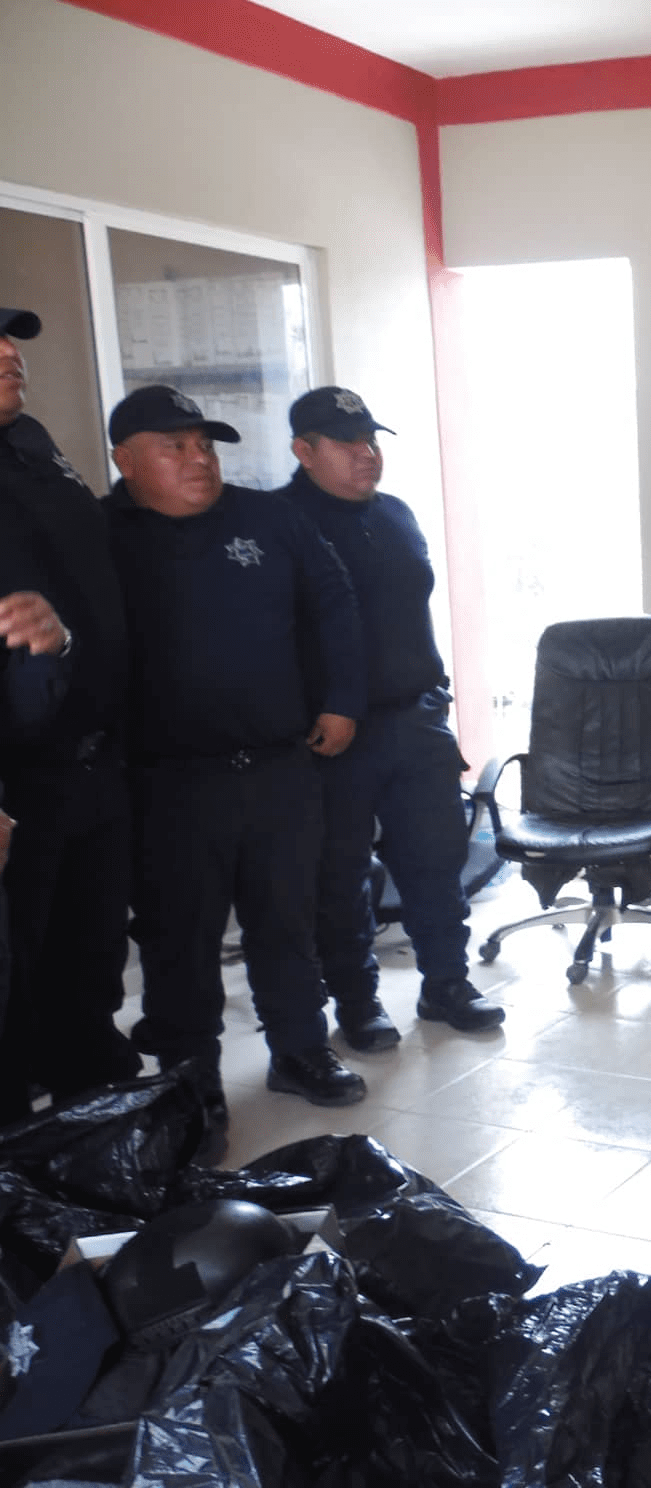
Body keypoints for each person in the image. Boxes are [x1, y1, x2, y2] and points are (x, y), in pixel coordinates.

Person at [103, 383, 371, 1130]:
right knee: (179, 941)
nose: (199, 460)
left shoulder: (267, 518)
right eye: (174, 448)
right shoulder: (100, 536)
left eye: (205, 446)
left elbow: (335, 605)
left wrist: (342, 699)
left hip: (280, 766)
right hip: (170, 783)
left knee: (286, 922)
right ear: (126, 460)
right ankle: (191, 1081)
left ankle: (300, 1050)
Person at [278, 386, 502, 1049]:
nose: (366, 454)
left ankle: (447, 984)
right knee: (342, 877)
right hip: (336, 734)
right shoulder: (281, 524)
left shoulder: (396, 513)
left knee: (435, 862)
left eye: (371, 441)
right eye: (347, 444)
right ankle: (358, 1004)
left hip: (416, 720)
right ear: (304, 451)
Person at [0, 305, 141, 1122]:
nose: (9, 353)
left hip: (91, 754)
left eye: (9, 339)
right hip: (17, 779)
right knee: (17, 973)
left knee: (91, 952)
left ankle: (96, 1123)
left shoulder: (32, 444)